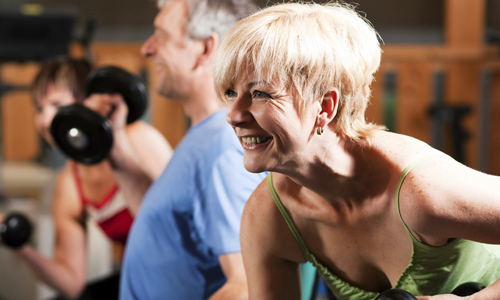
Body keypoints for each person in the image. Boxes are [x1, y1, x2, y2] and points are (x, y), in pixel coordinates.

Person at [213, 2, 500, 300]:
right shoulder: (269, 216)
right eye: (231, 93)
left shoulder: (421, 191)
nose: (233, 115)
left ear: (324, 106)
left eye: (260, 94)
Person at [118, 0, 265, 299]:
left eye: (162, 35)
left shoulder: (223, 147)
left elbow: (247, 286)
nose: (148, 48)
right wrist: (114, 150)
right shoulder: (204, 137)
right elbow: (167, 227)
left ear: (205, 50)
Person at [0, 57, 173, 300]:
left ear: (91, 103)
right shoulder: (69, 183)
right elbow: (71, 283)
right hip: (138, 279)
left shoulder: (139, 139)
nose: (44, 121)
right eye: (40, 109)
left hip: (184, 274)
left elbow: (176, 230)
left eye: (58, 106)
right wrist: (21, 246)